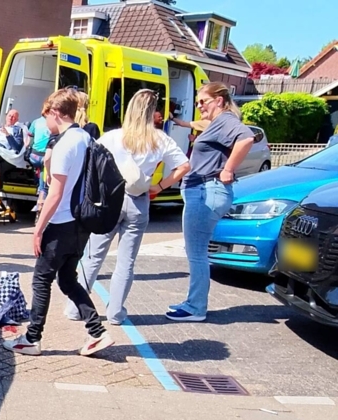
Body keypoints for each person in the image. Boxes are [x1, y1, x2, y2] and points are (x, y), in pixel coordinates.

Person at [64, 89, 191, 325]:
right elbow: (184, 166)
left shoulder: (113, 137)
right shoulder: (160, 140)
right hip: (139, 200)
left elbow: (89, 159)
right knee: (126, 261)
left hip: (109, 200)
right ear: (153, 113)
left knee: (93, 255)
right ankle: (115, 312)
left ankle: (75, 307)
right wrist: (160, 186)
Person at [4, 88, 114, 358]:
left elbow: (56, 191)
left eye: (46, 117)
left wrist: (38, 228)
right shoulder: (86, 137)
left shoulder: (65, 143)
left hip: (62, 221)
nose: (44, 124)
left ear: (55, 113)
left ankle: (32, 338)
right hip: (82, 223)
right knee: (67, 279)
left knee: (42, 279)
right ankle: (97, 332)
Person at [167, 82, 254, 322]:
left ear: (219, 100)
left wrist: (228, 169)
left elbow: (246, 138)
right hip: (205, 189)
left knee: (196, 252)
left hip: (207, 190)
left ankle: (196, 308)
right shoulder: (218, 123)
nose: (199, 106)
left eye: (203, 101)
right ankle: (194, 302)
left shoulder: (226, 119)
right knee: (197, 251)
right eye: (197, 102)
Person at [28, 113, 52, 212]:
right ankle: (41, 197)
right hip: (44, 156)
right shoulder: (53, 122)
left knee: (40, 167)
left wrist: (26, 148)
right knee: (44, 170)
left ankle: (38, 186)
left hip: (33, 155)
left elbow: (29, 137)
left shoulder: (36, 121)